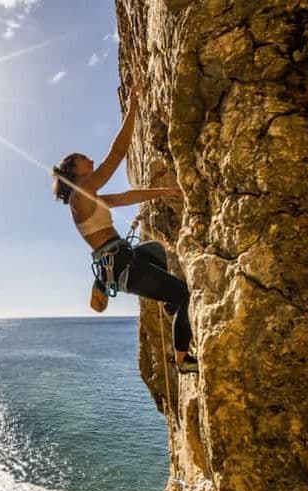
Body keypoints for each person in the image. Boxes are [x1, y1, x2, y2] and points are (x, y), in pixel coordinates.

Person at [50, 80, 198, 373]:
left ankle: (164, 302)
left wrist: (161, 192)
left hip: (123, 256)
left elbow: (123, 197)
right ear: (74, 171)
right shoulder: (81, 193)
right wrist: (132, 109)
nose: (90, 160)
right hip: (122, 267)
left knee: (156, 250)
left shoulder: (88, 197)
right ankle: (183, 361)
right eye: (84, 159)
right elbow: (118, 153)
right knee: (184, 295)